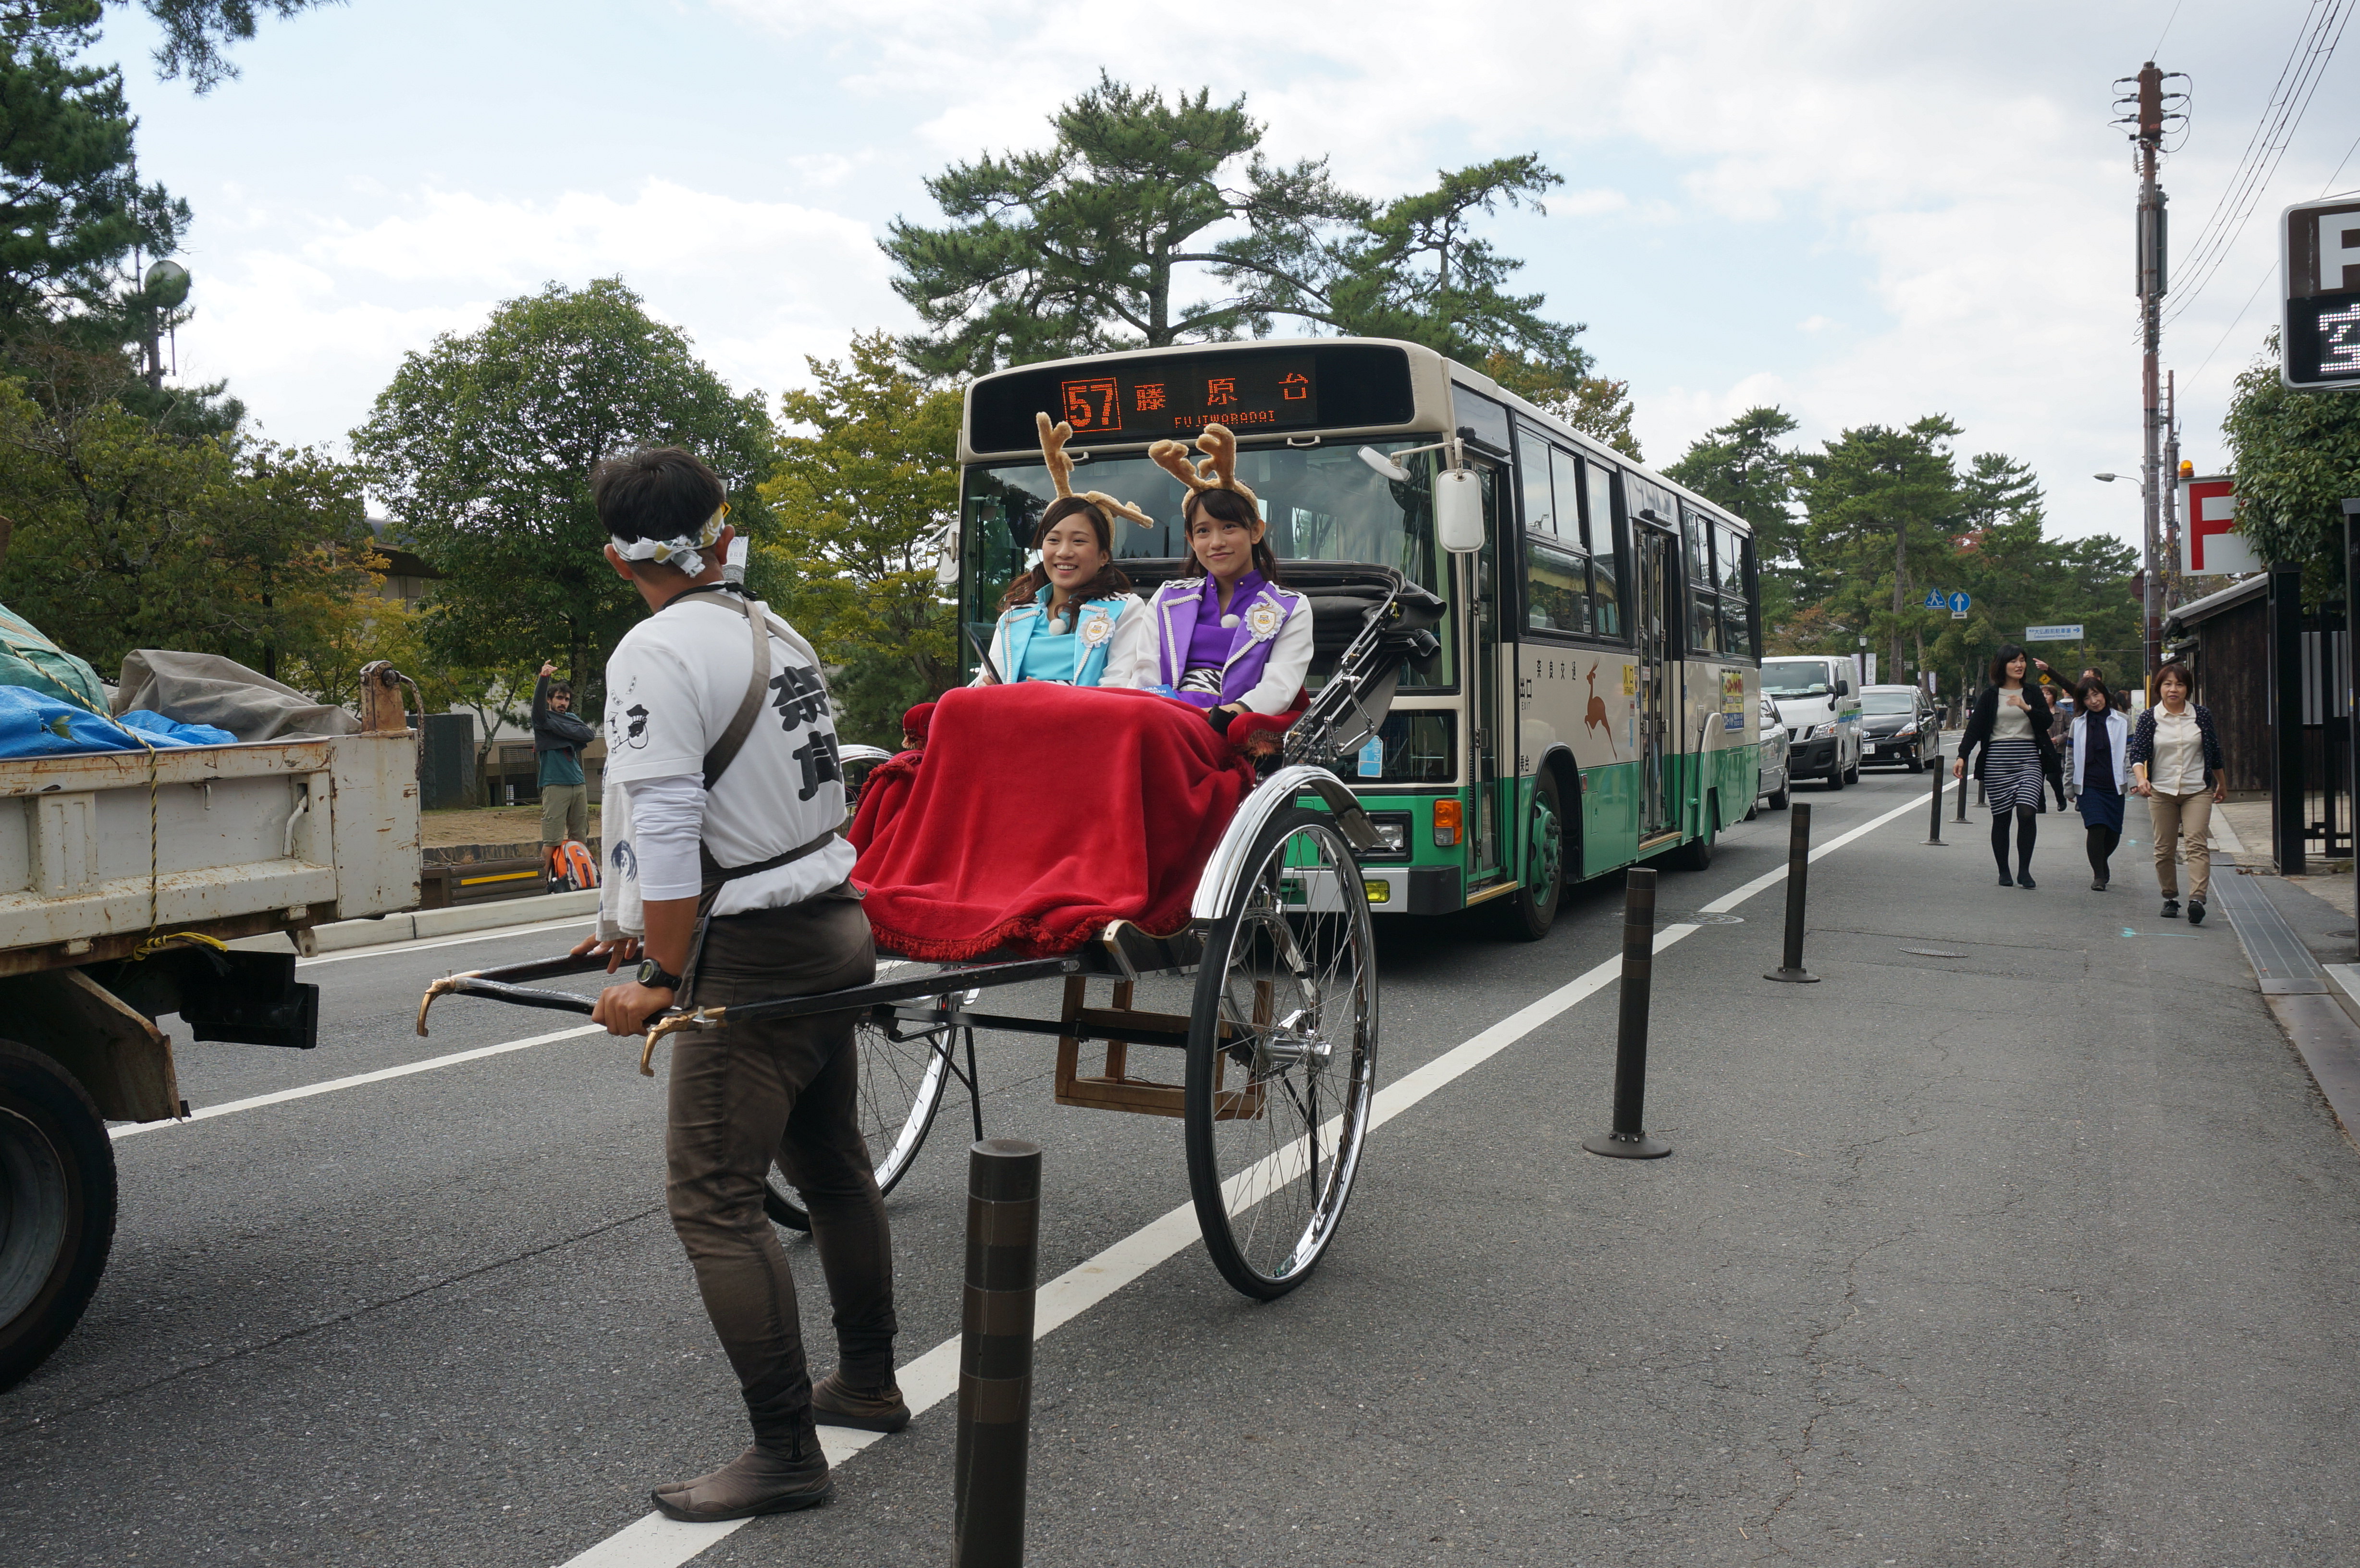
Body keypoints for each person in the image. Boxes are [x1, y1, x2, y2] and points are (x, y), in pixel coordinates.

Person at [572, 446, 901, 1522]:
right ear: (722, 532)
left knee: (714, 1203)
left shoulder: (652, 652)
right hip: (833, 926)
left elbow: (667, 825)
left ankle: (785, 1454)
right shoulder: (774, 630)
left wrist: (659, 972)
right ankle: (864, 1379)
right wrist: (626, 935)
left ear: (619, 558)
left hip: (750, 953)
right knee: (832, 1162)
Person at [1141, 423, 1313, 728]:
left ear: (1256, 531)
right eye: (1203, 531)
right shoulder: (1167, 597)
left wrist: (1226, 716)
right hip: (1163, 720)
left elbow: (1280, 685)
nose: (1216, 542)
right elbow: (1144, 671)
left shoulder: (1290, 607)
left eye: (1229, 527)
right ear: (1193, 542)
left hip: (1230, 727)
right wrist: (1161, 715)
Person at [973, 416, 1155, 687]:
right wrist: (983, 688)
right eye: (1054, 540)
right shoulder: (1014, 615)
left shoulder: (1125, 609)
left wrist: (1046, 698)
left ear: (1104, 556)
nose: (1064, 552)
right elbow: (988, 682)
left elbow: (1121, 691)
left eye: (1079, 541)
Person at [2128, 661, 2226, 924]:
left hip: (2198, 789)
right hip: (2162, 791)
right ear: (2159, 688)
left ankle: (2197, 898)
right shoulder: (2150, 717)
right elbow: (2138, 753)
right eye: (2168, 684)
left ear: (2188, 689)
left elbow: (2214, 752)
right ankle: (2170, 897)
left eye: (2180, 684)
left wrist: (2222, 784)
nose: (2174, 689)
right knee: (2164, 848)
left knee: (2196, 842)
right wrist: (2142, 778)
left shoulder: (2201, 715)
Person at [1954, 644, 2055, 888]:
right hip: (1997, 761)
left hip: (2029, 759)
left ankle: (2025, 871)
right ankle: (2004, 871)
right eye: (2013, 661)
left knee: (2027, 812)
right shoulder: (1990, 695)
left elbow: (2046, 721)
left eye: (2022, 660)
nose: (2019, 665)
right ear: (2003, 665)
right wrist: (1962, 756)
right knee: (2001, 818)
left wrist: (2026, 707)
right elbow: (1975, 729)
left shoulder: (2032, 692)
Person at [2067, 675, 2129, 890]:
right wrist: (2069, 785)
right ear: (2082, 702)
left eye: (2096, 694)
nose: (2094, 701)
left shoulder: (2122, 721)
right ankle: (2099, 876)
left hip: (2114, 784)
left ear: (2104, 693)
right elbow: (2070, 756)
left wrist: (2135, 780)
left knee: (2113, 833)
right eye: (2087, 698)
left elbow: (2130, 753)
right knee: (2097, 826)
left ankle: (2102, 862)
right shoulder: (2078, 724)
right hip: (2088, 785)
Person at [532, 663, 595, 867]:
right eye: (559, 698)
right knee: (552, 839)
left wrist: (555, 729)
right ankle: (543, 885)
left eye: (567, 699)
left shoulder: (572, 718)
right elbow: (539, 714)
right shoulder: (543, 717)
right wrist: (544, 678)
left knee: (580, 838)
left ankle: (580, 879)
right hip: (555, 784)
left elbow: (588, 735)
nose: (563, 703)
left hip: (578, 783)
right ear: (549, 700)